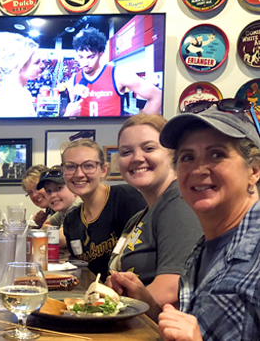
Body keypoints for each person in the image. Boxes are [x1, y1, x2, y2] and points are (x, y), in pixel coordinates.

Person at [108, 106, 260, 341]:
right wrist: (145, 302)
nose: (199, 169)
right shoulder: (204, 248)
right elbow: (191, 327)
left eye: (217, 154)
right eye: (188, 157)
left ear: (254, 169)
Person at [107, 114, 202, 310]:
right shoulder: (141, 215)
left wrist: (108, 310)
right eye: (126, 152)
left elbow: (170, 289)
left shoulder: (179, 202)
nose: (137, 158)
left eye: (149, 148)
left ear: (172, 154)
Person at [61, 138, 146, 280]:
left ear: (104, 170)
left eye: (88, 166)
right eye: (70, 167)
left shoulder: (125, 198)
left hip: (132, 294)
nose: (79, 174)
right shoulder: (72, 219)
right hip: (97, 296)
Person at [64, 27, 162, 117]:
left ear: (100, 54)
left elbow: (157, 96)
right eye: (81, 57)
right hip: (84, 135)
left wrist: (140, 126)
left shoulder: (118, 74)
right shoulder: (73, 81)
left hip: (112, 134)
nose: (85, 63)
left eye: (91, 57)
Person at [0, 32, 45, 118]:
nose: (43, 65)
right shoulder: (13, 98)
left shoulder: (21, 93)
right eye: (37, 62)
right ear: (19, 65)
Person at [38, 166, 82, 248]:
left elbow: (62, 240)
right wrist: (54, 234)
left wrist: (45, 235)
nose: (53, 195)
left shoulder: (77, 207)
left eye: (59, 188)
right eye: (48, 191)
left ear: (75, 189)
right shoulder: (64, 210)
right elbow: (45, 225)